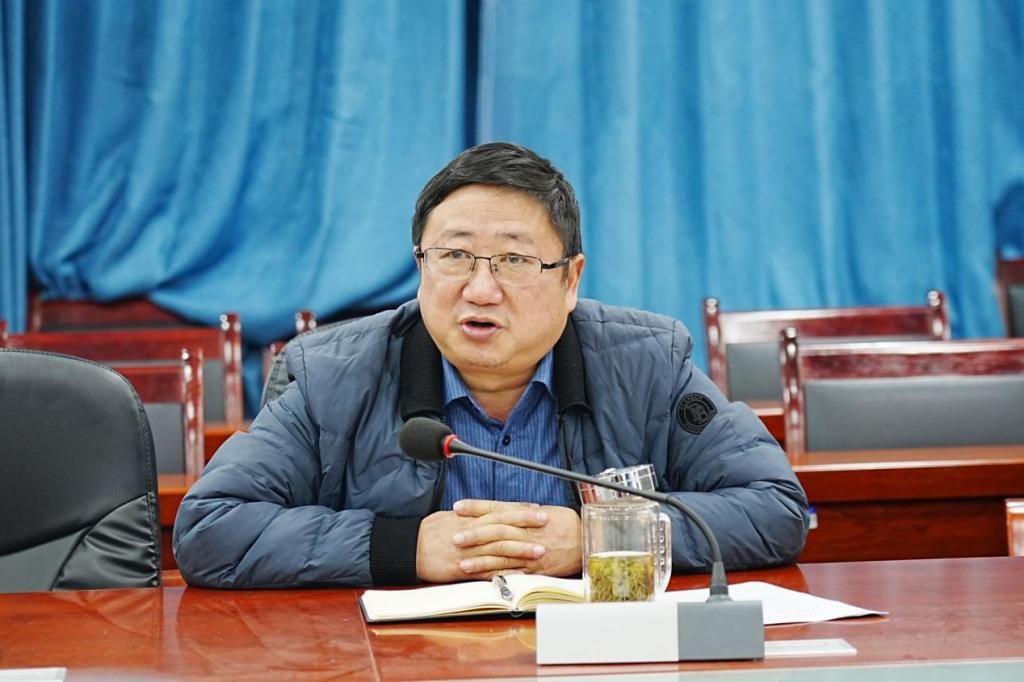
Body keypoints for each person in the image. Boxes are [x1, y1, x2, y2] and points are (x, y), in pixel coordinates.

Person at [173, 142, 809, 588]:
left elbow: (775, 507)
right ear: (421, 266)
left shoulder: (646, 364)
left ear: (570, 280)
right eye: (454, 256)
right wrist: (404, 547)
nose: (480, 289)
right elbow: (210, 527)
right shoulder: (332, 375)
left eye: (514, 260)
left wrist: (602, 537)